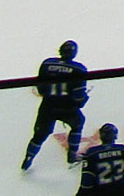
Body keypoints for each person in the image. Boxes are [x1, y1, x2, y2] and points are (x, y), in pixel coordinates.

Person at [23, 41, 88, 170]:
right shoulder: (79, 69)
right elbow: (78, 95)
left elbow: (40, 87)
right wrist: (82, 100)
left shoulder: (47, 64)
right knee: (78, 123)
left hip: (48, 106)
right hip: (67, 107)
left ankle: (28, 158)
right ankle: (72, 155)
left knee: (39, 135)